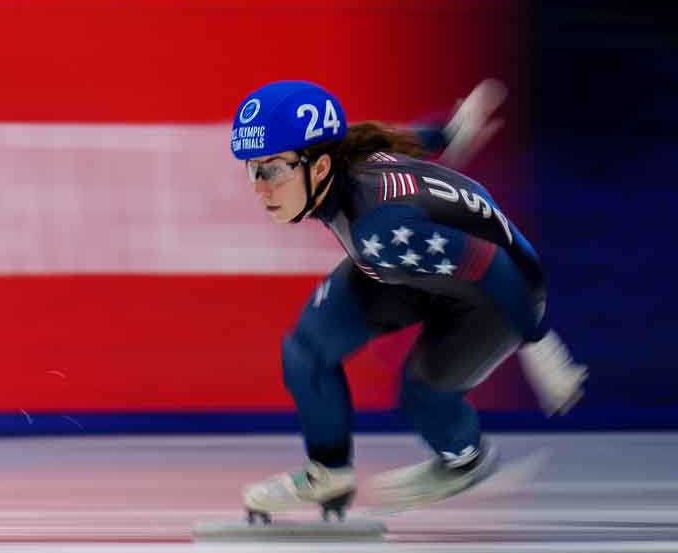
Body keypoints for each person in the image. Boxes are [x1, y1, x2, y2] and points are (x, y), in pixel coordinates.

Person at [231, 78, 586, 517]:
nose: (260, 187)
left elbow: (493, 264)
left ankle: (465, 457)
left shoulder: (377, 228)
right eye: (252, 169)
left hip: (499, 291)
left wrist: (541, 346)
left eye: (272, 169)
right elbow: (406, 140)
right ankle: (330, 474)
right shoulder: (346, 158)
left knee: (422, 395)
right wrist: (450, 134)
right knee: (306, 350)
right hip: (416, 263)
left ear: (318, 168)